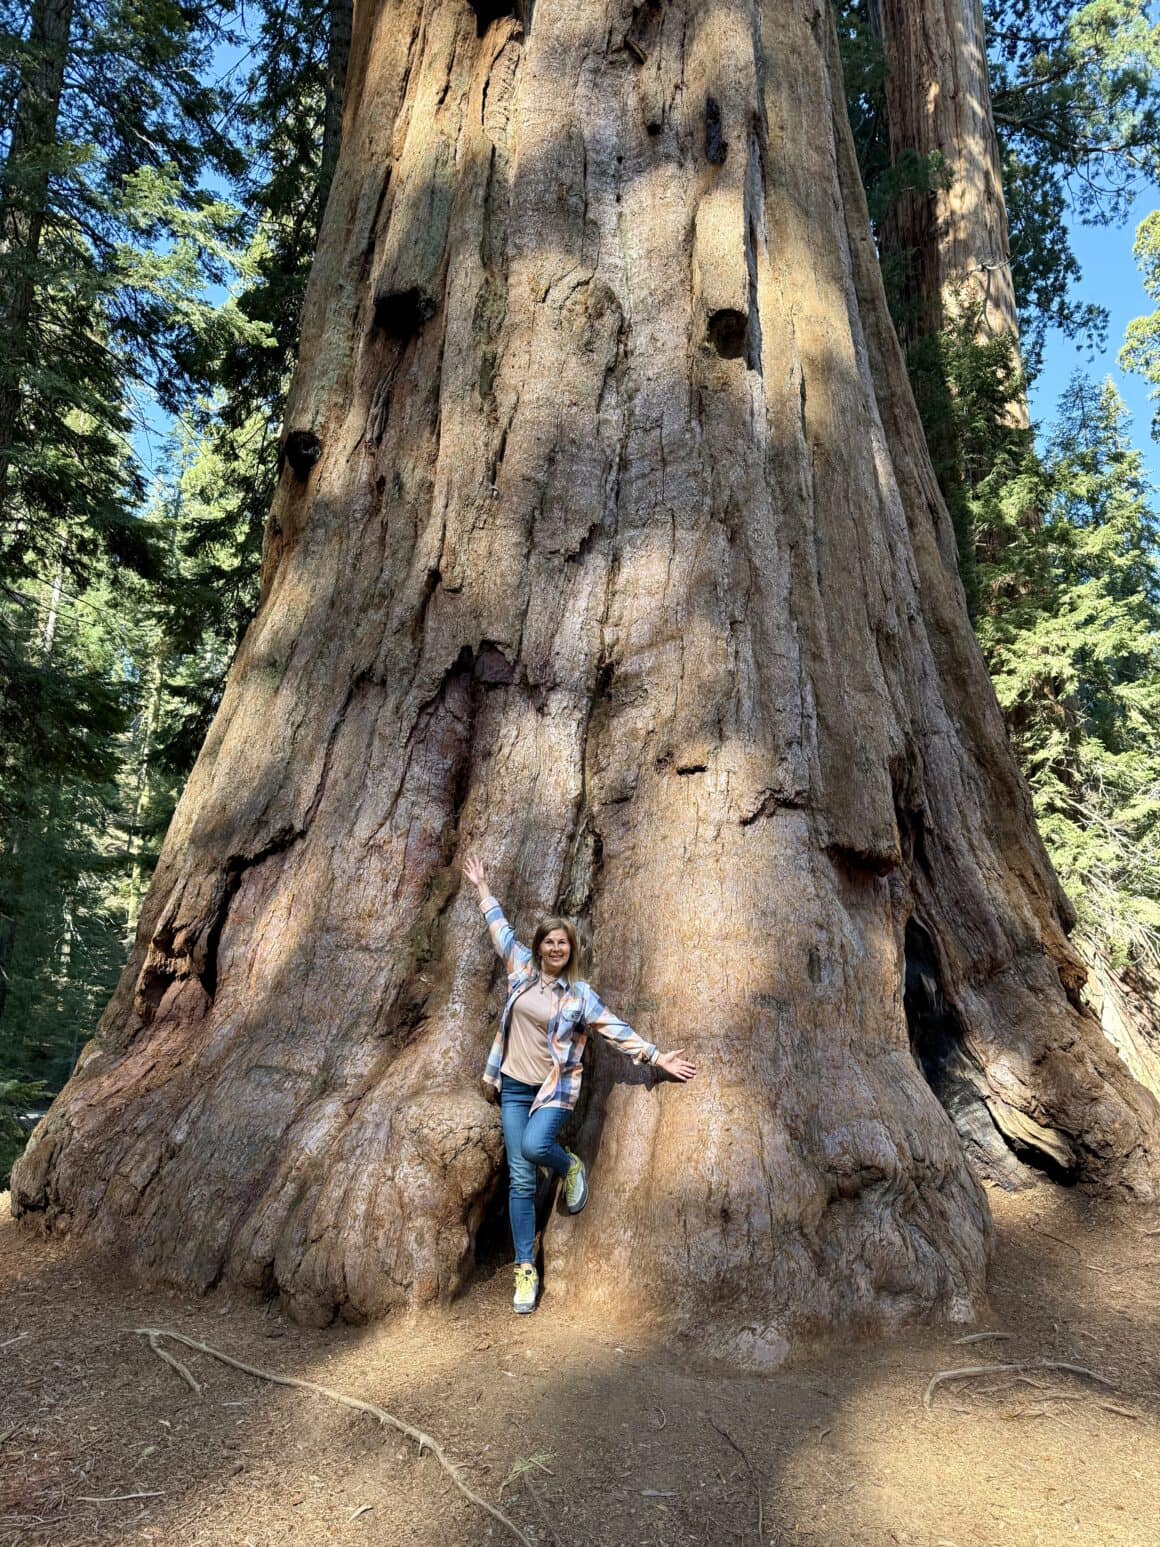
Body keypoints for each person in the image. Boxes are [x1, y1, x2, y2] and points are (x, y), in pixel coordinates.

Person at [463, 853, 696, 1314]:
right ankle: (525, 1268)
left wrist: (655, 1057)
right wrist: (482, 887)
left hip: (553, 1090)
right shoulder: (520, 969)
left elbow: (614, 1029)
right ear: (538, 947)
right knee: (521, 1179)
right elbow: (499, 928)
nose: (556, 949)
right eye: (549, 942)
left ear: (571, 950)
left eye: (563, 944)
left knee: (534, 1147)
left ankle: (568, 1165)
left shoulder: (579, 996)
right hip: (514, 1087)